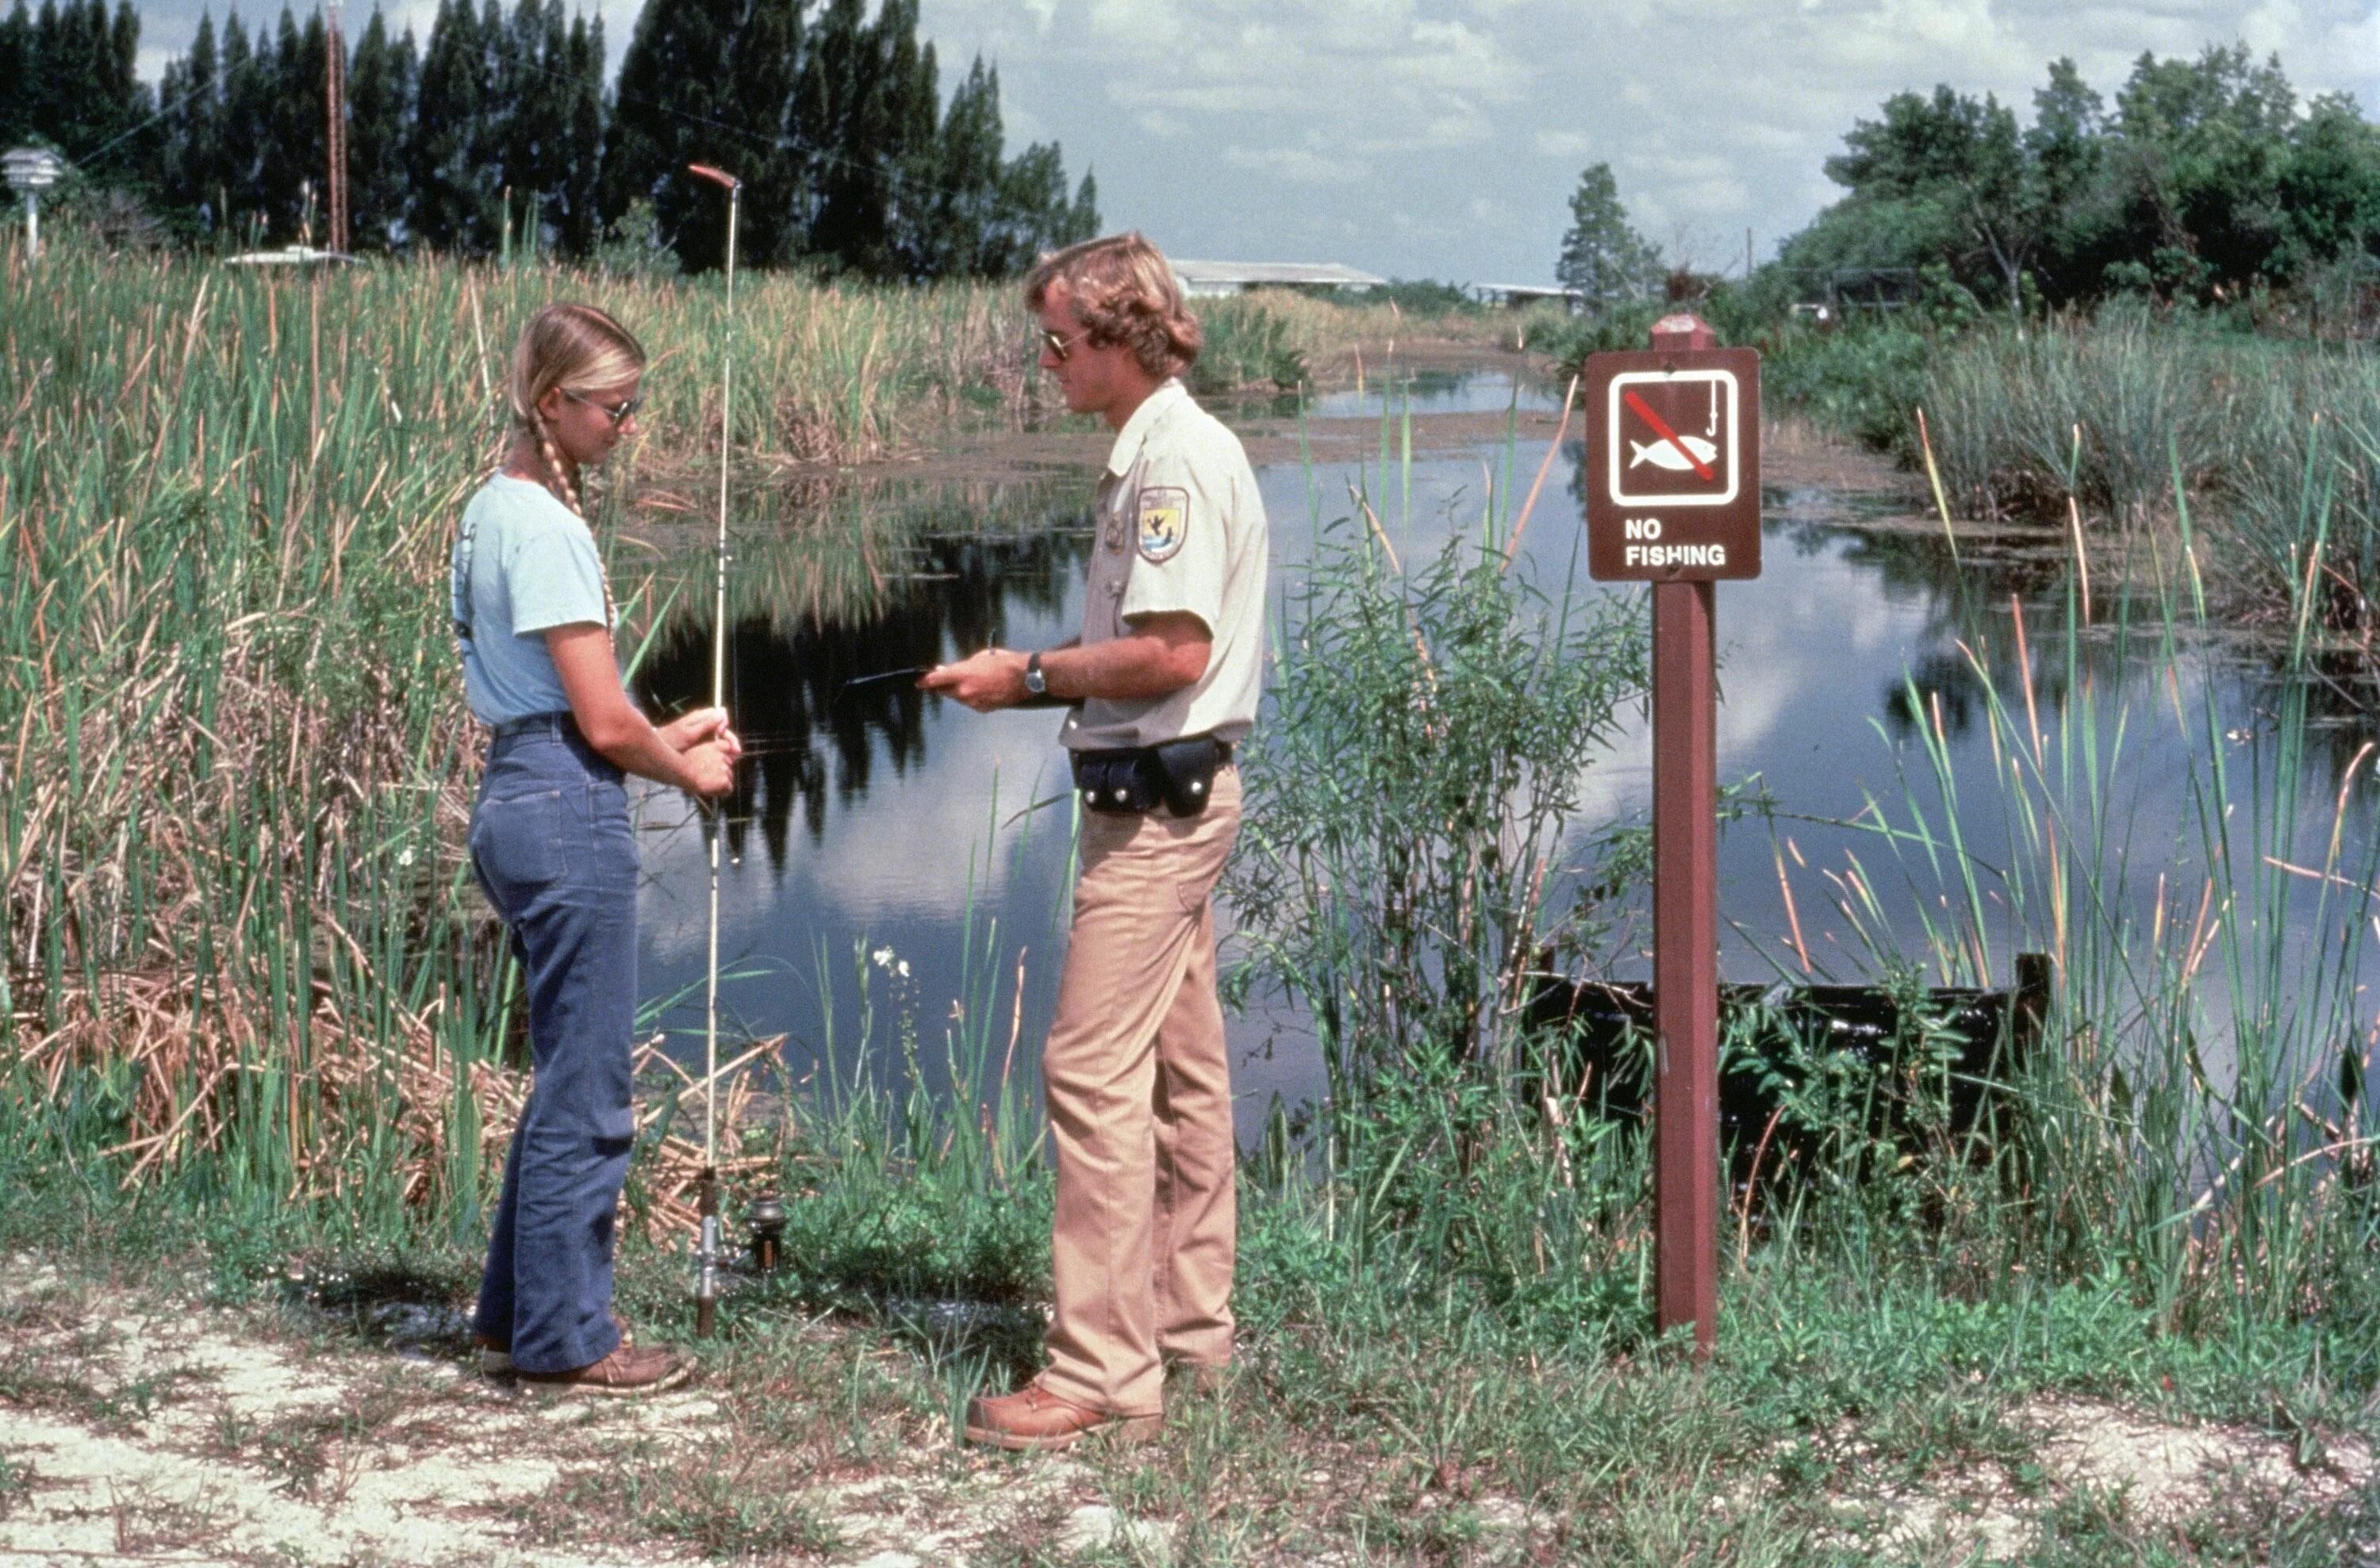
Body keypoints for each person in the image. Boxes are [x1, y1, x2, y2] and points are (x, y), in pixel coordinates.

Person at [923, 233, 1269, 1449]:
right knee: (1183, 1072)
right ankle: (1189, 1327)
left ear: (1123, 340)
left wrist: (1021, 673)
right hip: (1165, 794)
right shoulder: (1163, 448)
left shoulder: (1171, 462)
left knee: (1087, 1069)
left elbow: (1172, 652)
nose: (1048, 361)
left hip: (1157, 816)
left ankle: (1101, 1369)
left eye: (1061, 342)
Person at [452, 302, 741, 1395]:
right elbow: (605, 726)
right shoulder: (550, 532)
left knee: (564, 1073)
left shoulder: (486, 511)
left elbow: (561, 709)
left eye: (635, 404)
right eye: (614, 407)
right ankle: (569, 1335)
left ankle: (509, 1311)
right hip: (566, 808)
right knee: (593, 1089)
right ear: (551, 404)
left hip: (517, 791)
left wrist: (659, 739)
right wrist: (687, 768)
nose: (628, 424)